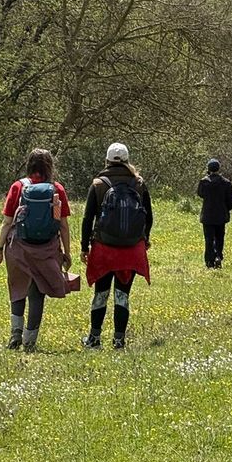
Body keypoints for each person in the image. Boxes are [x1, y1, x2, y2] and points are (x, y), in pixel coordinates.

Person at [0, 149, 73, 352]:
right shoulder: (56, 190)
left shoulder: (18, 187)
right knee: (38, 293)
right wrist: (66, 252)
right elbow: (61, 224)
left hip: (19, 246)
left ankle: (15, 335)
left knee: (18, 288)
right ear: (49, 166)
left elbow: (7, 221)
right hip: (46, 249)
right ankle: (30, 341)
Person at [80, 143, 152, 350]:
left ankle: (94, 339)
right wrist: (144, 238)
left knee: (101, 293)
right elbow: (149, 216)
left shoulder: (98, 184)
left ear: (107, 160)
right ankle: (119, 340)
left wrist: (84, 247)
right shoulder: (139, 183)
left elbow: (87, 219)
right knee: (123, 294)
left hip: (104, 248)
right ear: (128, 160)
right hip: (132, 249)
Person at [196, 159, 232, 269]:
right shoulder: (226, 183)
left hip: (208, 215)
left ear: (208, 169)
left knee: (209, 239)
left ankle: (209, 261)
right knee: (219, 237)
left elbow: (200, 194)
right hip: (221, 215)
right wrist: (226, 208)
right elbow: (231, 199)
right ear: (218, 168)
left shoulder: (204, 182)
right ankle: (218, 255)